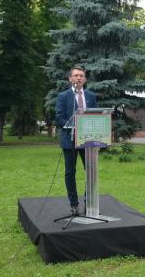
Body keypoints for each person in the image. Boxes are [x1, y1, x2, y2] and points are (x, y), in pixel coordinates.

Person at [55, 66, 97, 216]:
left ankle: (89, 201)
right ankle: (74, 204)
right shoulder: (63, 96)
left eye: (81, 76)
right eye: (76, 75)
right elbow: (59, 118)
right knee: (70, 172)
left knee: (91, 171)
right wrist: (75, 126)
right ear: (70, 79)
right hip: (70, 139)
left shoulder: (91, 96)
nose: (79, 78)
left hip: (88, 141)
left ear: (84, 79)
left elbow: (96, 115)